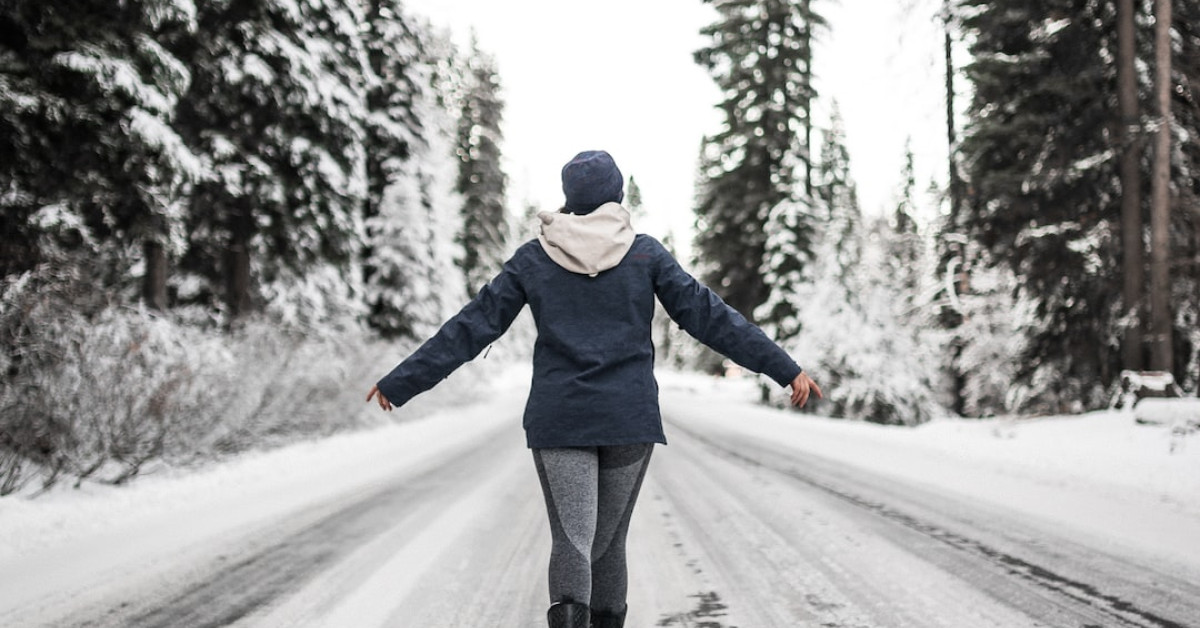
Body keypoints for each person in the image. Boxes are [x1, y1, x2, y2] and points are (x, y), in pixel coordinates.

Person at [367, 150, 821, 628]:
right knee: (606, 546)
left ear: (570, 200)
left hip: (559, 417)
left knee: (572, 540)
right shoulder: (645, 254)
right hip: (629, 418)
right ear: (616, 195)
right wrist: (784, 367)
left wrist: (404, 381)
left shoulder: (534, 258)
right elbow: (711, 317)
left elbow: (472, 326)